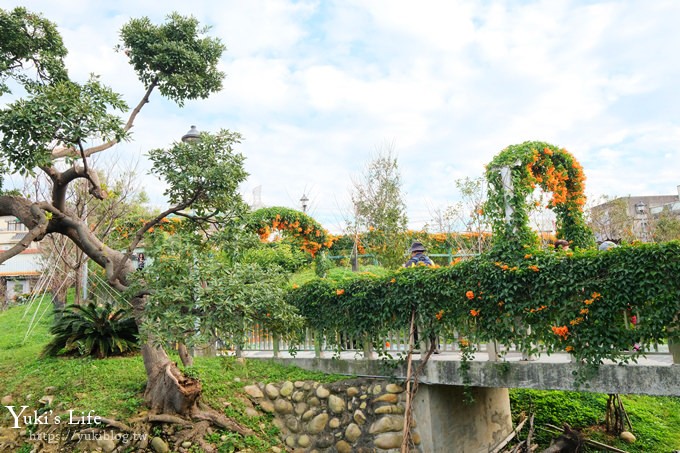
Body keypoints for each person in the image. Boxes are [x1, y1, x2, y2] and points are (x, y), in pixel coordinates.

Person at [403, 242, 439, 353]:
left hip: (415, 297)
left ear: (413, 252)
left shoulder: (411, 262)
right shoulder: (430, 262)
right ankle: (435, 347)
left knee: (414, 323)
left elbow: (405, 278)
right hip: (430, 297)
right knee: (431, 321)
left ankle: (418, 347)